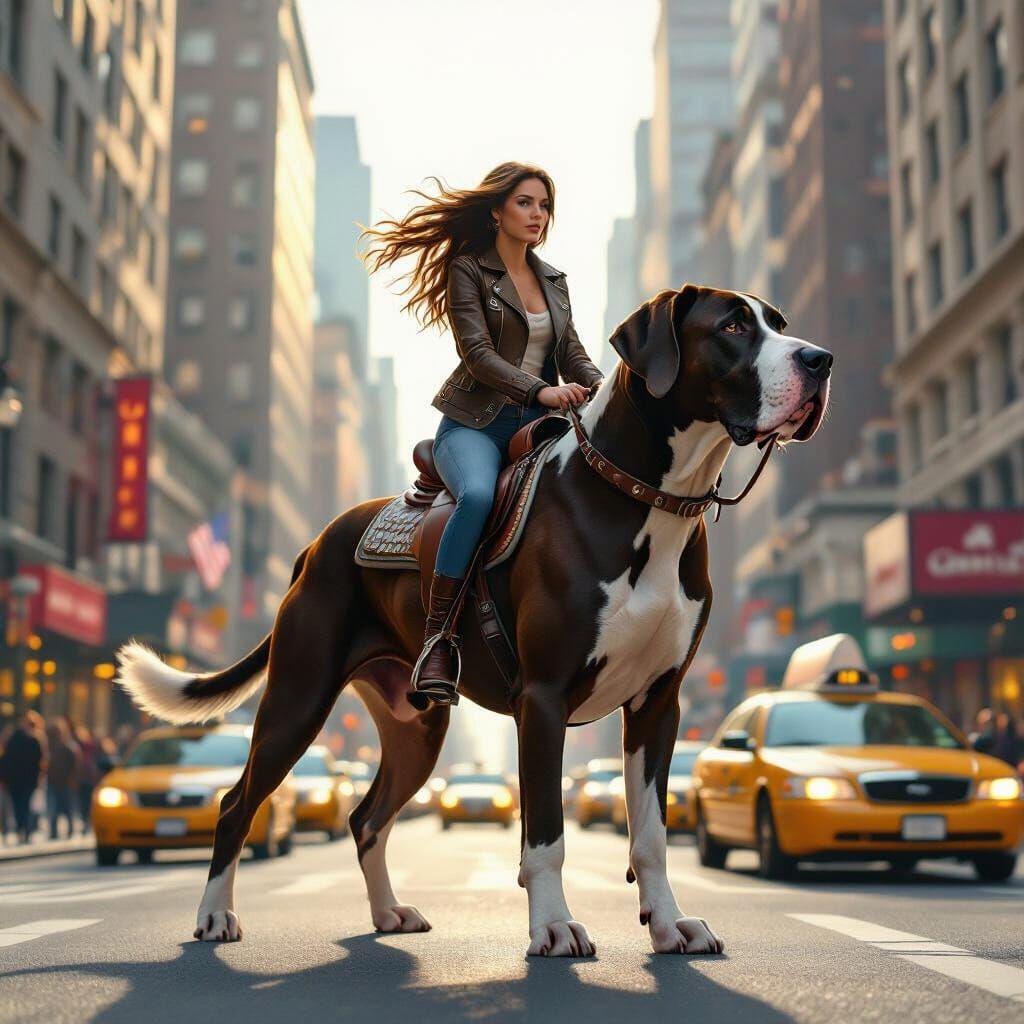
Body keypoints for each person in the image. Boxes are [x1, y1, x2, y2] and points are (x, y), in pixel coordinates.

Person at [360, 162, 604, 705]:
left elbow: (573, 355)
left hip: (542, 430)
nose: (537, 214)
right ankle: (438, 641)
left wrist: (606, 392)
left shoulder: (556, 282)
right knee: (473, 497)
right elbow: (477, 354)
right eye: (525, 202)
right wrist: (538, 390)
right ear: (497, 211)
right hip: (474, 424)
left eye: (544, 205)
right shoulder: (469, 270)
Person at [0, 710, 47, 843]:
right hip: (21, 780)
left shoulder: (32, 740)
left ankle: (23, 829)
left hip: (21, 780)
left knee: (21, 805)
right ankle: (24, 829)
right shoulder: (22, 739)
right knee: (22, 805)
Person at [45, 717, 80, 840]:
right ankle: (54, 831)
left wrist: (72, 779)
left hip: (65, 782)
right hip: (53, 782)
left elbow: (74, 766)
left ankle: (70, 830)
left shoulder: (68, 748)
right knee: (53, 808)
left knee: (67, 808)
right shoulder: (49, 749)